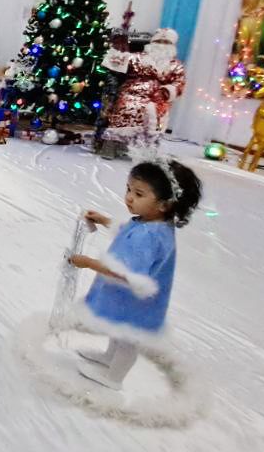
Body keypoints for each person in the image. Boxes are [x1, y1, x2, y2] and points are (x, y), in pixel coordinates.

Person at [68, 159, 203, 390]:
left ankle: (114, 378)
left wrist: (88, 263)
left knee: (128, 339)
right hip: (127, 298)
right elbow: (127, 232)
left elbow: (125, 274)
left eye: (139, 194)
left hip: (137, 302)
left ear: (165, 205)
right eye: (129, 189)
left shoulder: (151, 235)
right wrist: (104, 220)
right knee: (119, 330)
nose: (129, 197)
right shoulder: (149, 222)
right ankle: (109, 358)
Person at [101, 29, 187, 158]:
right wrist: (115, 51)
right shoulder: (137, 57)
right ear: (152, 42)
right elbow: (116, 62)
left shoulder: (176, 65)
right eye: (159, 41)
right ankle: (112, 145)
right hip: (132, 91)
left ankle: (148, 149)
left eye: (166, 42)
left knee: (155, 113)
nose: (161, 45)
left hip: (158, 96)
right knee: (127, 106)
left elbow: (179, 82)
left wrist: (167, 91)